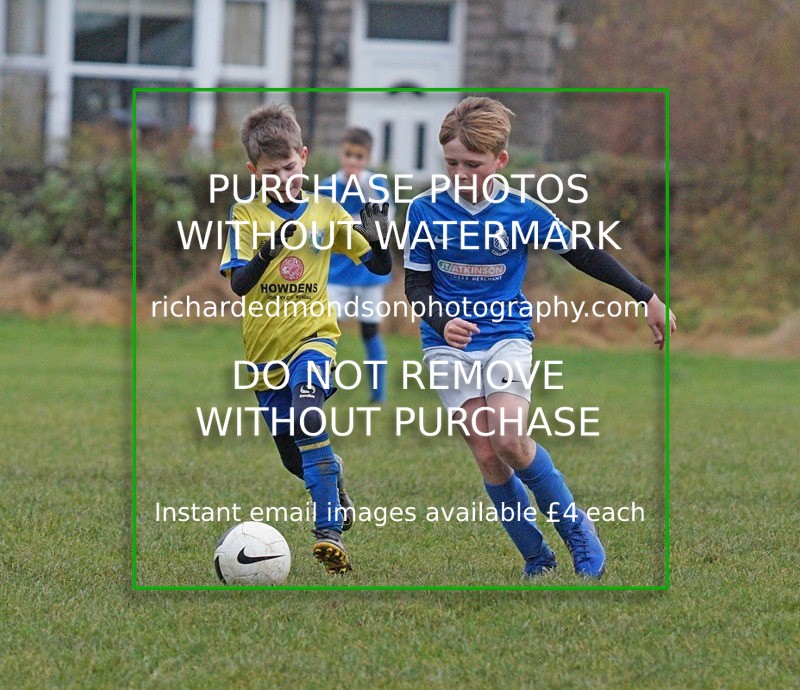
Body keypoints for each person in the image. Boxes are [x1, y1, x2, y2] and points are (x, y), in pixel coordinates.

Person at [403, 97, 676, 579]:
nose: (460, 174)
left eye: (473, 165)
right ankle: (536, 556)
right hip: (447, 344)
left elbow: (583, 254)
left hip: (506, 335)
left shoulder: (522, 211)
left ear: (500, 160)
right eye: (451, 163)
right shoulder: (425, 210)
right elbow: (416, 286)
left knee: (509, 438)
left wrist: (645, 295)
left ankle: (576, 531)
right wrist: (442, 321)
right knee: (486, 454)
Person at [219, 103, 392, 574]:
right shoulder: (246, 214)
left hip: (314, 337)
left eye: (290, 168)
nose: (283, 179)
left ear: (304, 158)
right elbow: (239, 285)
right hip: (264, 353)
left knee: (307, 411)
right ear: (254, 172)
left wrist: (380, 239)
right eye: (271, 173)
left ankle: (328, 532)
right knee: (293, 457)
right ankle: (332, 477)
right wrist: (267, 252)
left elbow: (379, 267)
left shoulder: (326, 211)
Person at [319, 127, 393, 403]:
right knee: (326, 333)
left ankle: (378, 396)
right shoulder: (327, 187)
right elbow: (321, 227)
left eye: (359, 157)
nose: (352, 161)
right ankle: (319, 389)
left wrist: (361, 196)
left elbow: (383, 225)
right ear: (341, 153)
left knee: (370, 331)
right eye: (348, 154)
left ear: (368, 158)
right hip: (335, 273)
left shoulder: (375, 186)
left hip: (369, 274)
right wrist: (356, 224)